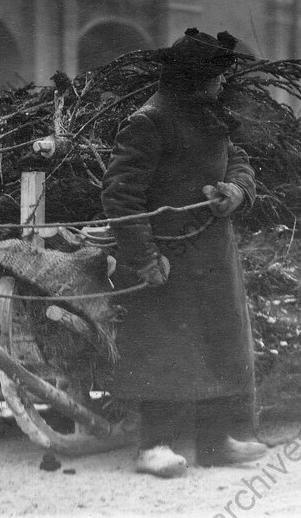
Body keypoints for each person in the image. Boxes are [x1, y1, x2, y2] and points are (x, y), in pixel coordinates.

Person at [102, 28, 267, 478]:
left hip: (213, 253)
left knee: (218, 343)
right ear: (193, 78)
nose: (221, 84)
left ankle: (215, 443)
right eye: (214, 76)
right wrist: (143, 256)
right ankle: (152, 445)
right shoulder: (149, 120)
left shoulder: (209, 116)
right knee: (166, 348)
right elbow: (120, 194)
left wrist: (236, 190)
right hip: (168, 260)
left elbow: (239, 161)